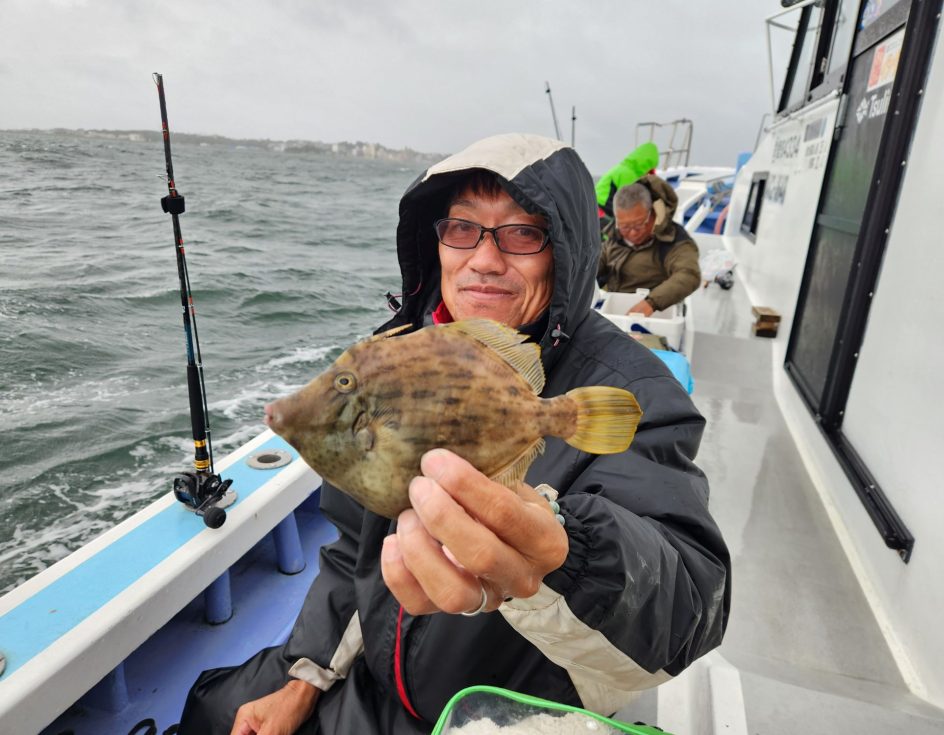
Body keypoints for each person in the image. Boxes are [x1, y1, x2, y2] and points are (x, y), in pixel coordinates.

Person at [178, 133, 730, 734]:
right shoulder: (401, 357)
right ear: (435, 241)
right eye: (462, 229)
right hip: (374, 678)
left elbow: (690, 606)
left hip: (495, 718)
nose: (485, 260)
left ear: (564, 252)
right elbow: (351, 551)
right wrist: (305, 675)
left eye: (523, 234)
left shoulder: (638, 394)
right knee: (212, 711)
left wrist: (566, 556)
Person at [596, 177, 701, 316]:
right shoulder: (614, 235)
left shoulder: (675, 241)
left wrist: (651, 302)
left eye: (639, 225)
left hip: (654, 316)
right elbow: (598, 261)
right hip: (613, 312)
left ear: (653, 212)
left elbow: (688, 274)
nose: (632, 233)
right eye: (625, 226)